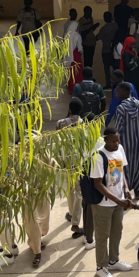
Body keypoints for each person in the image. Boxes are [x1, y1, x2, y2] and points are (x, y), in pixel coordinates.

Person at [90, 125, 134, 277]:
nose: (117, 143)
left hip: (119, 201)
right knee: (102, 236)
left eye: (118, 140)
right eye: (114, 141)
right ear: (105, 139)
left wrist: (126, 189)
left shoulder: (120, 149)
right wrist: (117, 200)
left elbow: (121, 172)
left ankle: (113, 260)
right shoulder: (99, 156)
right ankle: (101, 267)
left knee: (117, 232)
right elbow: (97, 184)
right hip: (104, 204)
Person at [57, 98, 88, 240]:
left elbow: (57, 141)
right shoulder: (84, 124)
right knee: (79, 191)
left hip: (65, 161)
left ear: (69, 108)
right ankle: (75, 221)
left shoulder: (60, 123)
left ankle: (71, 214)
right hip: (79, 161)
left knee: (69, 189)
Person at [112, 83, 139, 200]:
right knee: (137, 166)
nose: (116, 93)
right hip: (137, 143)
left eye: (118, 91)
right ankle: (138, 192)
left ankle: (125, 196)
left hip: (124, 145)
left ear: (126, 92)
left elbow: (118, 129)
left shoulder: (120, 108)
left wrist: (115, 145)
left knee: (124, 168)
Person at [25, 188, 51, 268]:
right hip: (26, 188)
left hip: (42, 184)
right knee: (32, 219)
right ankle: (37, 252)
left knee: (44, 212)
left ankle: (36, 239)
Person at [96, 11, 119, 87]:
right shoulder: (116, 26)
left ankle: (108, 84)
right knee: (115, 68)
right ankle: (116, 83)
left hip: (106, 50)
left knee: (107, 69)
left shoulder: (104, 29)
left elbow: (98, 37)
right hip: (115, 50)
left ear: (104, 18)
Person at [66, 18, 83, 95]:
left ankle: (71, 89)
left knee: (70, 72)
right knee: (77, 73)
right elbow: (80, 48)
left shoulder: (67, 35)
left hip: (68, 55)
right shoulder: (77, 36)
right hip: (75, 55)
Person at [79, 5, 97, 73]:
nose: (91, 14)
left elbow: (91, 30)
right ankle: (86, 74)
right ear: (85, 12)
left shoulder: (90, 18)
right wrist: (92, 27)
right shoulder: (81, 21)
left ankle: (90, 74)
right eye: (89, 12)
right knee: (86, 60)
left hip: (92, 42)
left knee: (91, 60)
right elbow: (83, 33)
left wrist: (94, 27)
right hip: (86, 43)